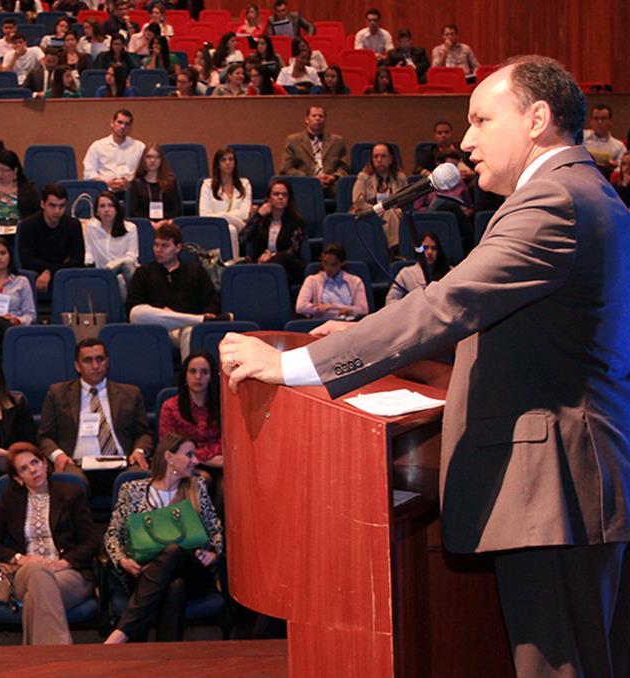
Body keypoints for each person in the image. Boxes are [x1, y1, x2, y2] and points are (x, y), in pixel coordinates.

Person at [219, 56, 630, 678]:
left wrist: (298, 364)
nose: (465, 140)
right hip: (571, 482)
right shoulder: (584, 192)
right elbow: (519, 331)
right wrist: (364, 334)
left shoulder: (553, 199)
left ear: (537, 120)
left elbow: (450, 303)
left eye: (482, 119)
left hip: (557, 485)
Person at [103, 432, 223, 643]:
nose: (195, 460)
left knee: (174, 550)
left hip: (192, 570)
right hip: (143, 573)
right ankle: (166, 661)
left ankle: (123, 632)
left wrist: (213, 553)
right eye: (189, 454)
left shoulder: (197, 487)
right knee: (174, 586)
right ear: (169, 457)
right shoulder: (132, 490)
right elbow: (112, 535)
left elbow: (216, 531)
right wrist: (122, 560)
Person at [0, 442, 99, 645]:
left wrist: (64, 563)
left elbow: (92, 541)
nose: (33, 470)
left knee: (34, 599)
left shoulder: (71, 493)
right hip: (25, 573)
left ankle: (40, 663)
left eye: (35, 462)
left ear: (45, 463)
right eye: (24, 468)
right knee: (37, 571)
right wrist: (20, 558)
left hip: (69, 573)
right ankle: (61, 657)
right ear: (18, 478)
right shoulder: (11, 499)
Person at [37, 337, 152, 490]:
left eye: (100, 359)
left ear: (107, 362)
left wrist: (139, 451)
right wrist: (58, 455)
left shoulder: (130, 393)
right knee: (71, 480)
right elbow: (45, 436)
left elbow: (144, 434)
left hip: (123, 463)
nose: (95, 366)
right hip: (75, 463)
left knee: (137, 477)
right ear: (77, 366)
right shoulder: (58, 393)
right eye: (88, 360)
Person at [127, 223, 224, 358]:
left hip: (184, 329)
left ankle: (187, 377)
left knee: (190, 332)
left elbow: (212, 302)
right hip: (155, 328)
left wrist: (207, 313)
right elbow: (132, 306)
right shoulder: (143, 272)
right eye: (156, 245)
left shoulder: (195, 271)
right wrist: (162, 312)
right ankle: (199, 319)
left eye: (164, 246)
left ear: (178, 248)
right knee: (136, 312)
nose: (158, 250)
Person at [16, 183, 85, 295]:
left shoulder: (73, 225)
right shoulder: (27, 225)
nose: (57, 211)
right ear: (43, 204)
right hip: (37, 274)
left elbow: (78, 260)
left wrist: (49, 272)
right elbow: (27, 260)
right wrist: (55, 269)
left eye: (61, 206)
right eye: (52, 206)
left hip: (65, 276)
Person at [158, 350, 221, 465]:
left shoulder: (223, 406)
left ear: (211, 377)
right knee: (201, 479)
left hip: (220, 463)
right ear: (185, 376)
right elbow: (169, 446)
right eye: (193, 371)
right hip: (183, 466)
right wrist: (204, 459)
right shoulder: (170, 407)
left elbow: (229, 443)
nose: (198, 376)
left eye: (204, 372)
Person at [244, 178, 308, 283]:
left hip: (288, 266)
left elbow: (293, 250)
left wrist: (271, 257)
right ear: (269, 198)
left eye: (284, 194)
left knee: (280, 261)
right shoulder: (261, 221)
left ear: (289, 199)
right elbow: (243, 238)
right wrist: (258, 216)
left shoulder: (297, 222)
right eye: (276, 194)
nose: (280, 197)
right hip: (261, 263)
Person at [280, 105, 350, 197]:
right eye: (314, 116)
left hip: (331, 188)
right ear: (306, 119)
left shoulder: (337, 141)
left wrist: (333, 177)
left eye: (321, 116)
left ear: (325, 120)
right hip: (304, 187)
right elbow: (286, 168)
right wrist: (310, 179)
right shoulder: (293, 140)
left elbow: (345, 168)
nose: (318, 118)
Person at [350, 142, 408, 249]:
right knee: (388, 212)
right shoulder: (364, 177)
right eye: (375, 157)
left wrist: (400, 209)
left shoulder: (400, 178)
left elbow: (405, 201)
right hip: (369, 213)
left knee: (391, 214)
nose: (379, 160)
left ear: (391, 159)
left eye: (383, 156)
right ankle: (395, 249)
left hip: (394, 214)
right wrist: (379, 209)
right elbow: (358, 203)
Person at [199, 147, 252, 259]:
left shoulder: (245, 184)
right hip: (214, 228)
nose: (228, 163)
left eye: (231, 159)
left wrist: (223, 216)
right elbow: (204, 215)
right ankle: (233, 264)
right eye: (223, 160)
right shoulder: (207, 185)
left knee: (233, 228)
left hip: (241, 229)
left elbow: (245, 214)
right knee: (230, 229)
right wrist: (226, 218)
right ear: (218, 164)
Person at [83, 191, 139, 294]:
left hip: (127, 272)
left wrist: (111, 266)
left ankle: (132, 304)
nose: (106, 210)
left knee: (122, 276)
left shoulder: (130, 228)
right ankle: (131, 307)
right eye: (102, 206)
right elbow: (88, 252)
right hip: (102, 274)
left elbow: (131, 257)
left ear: (117, 210)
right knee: (118, 280)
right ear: (97, 212)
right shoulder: (91, 228)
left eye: (110, 206)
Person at [295, 242, 368, 320]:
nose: (328, 268)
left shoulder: (356, 281)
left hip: (348, 323)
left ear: (342, 263)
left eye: (334, 264)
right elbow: (300, 307)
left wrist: (331, 306)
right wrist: (345, 310)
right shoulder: (312, 280)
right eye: (325, 263)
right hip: (321, 323)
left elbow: (363, 310)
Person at [83, 110, 145, 193]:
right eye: (120, 122)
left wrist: (130, 182)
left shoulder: (139, 147)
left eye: (127, 124)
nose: (123, 126)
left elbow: (145, 172)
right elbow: (88, 173)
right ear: (112, 123)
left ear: (130, 127)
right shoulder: (98, 146)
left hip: (132, 193)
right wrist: (106, 183)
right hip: (105, 193)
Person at [384, 231, 451, 305]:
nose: (429, 252)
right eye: (425, 248)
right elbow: (390, 300)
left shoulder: (450, 272)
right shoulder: (406, 274)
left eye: (433, 248)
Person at [126, 144, 180, 225]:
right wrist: (150, 224)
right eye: (149, 157)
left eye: (157, 157)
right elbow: (134, 212)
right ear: (143, 160)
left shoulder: (171, 182)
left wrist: (165, 222)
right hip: (144, 226)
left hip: (167, 225)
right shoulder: (136, 184)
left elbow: (176, 209)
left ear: (162, 160)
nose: (152, 160)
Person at [583, 104, 627, 176]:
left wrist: (615, 165)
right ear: (591, 121)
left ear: (610, 122)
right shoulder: (580, 137)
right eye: (596, 119)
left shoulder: (619, 146)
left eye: (603, 119)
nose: (599, 122)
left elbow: (623, 168)